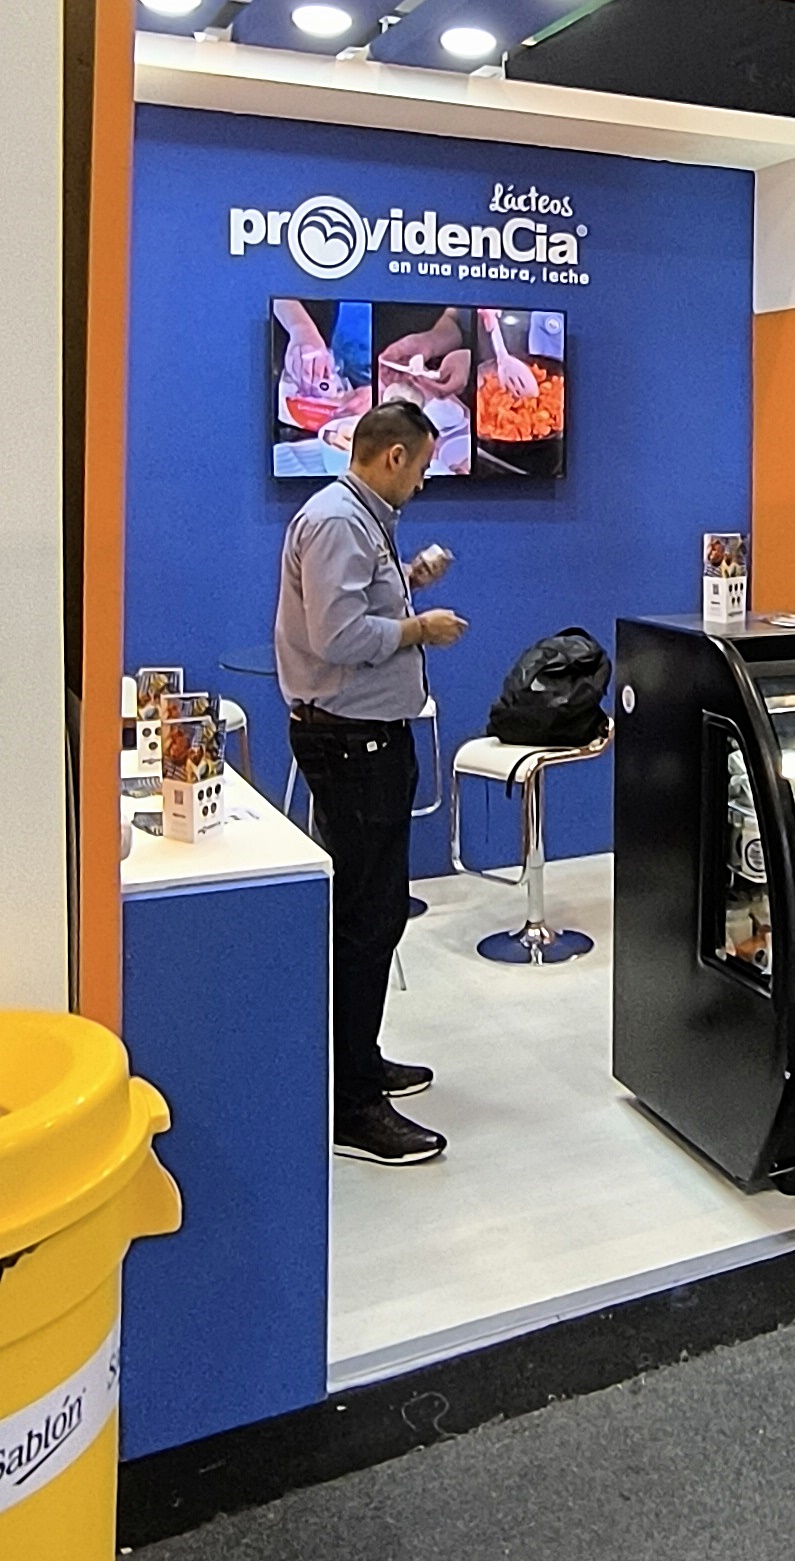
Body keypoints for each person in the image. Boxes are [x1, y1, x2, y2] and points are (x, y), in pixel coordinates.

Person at [275, 399, 470, 1166]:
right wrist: (421, 627)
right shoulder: (337, 521)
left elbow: (355, 606)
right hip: (352, 744)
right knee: (366, 917)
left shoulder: (359, 519)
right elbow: (338, 635)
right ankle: (352, 1104)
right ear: (393, 456)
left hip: (368, 740)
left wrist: (407, 579)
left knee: (372, 911)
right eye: (421, 466)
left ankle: (357, 1059)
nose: (422, 481)